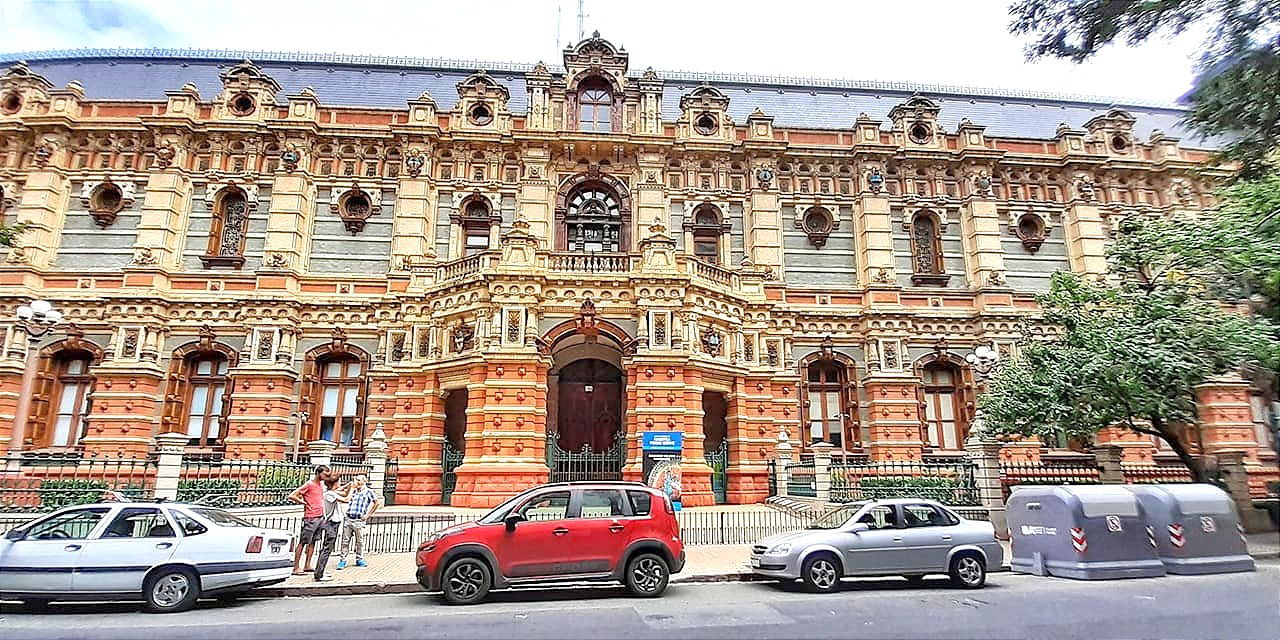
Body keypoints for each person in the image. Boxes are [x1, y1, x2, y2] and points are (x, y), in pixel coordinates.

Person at [288, 465, 330, 576]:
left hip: (320, 516)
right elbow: (292, 495)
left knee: (313, 542)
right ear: (318, 473)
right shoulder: (309, 484)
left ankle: (307, 565)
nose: (326, 477)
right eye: (325, 474)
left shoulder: (320, 485)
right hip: (310, 517)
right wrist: (303, 502)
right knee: (303, 542)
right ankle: (296, 567)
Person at [336, 474, 383, 569]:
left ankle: (359, 558)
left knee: (359, 541)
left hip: (359, 519)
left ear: (364, 481)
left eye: (358, 480)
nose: (355, 481)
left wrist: (368, 515)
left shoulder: (369, 492)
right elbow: (338, 492)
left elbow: (376, 502)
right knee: (345, 540)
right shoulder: (353, 490)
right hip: (349, 518)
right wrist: (349, 486)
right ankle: (343, 560)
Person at [313, 476, 351, 582]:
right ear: (335, 483)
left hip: (333, 523)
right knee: (327, 548)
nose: (340, 483)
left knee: (327, 548)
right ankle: (319, 575)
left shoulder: (330, 492)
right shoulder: (329, 494)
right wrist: (352, 488)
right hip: (331, 523)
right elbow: (346, 499)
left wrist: (348, 486)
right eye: (339, 482)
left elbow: (342, 491)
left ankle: (320, 571)